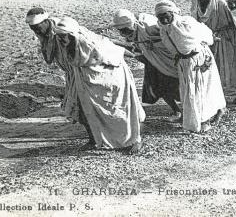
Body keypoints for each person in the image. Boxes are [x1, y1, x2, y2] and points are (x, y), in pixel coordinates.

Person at [54, 16, 146, 153]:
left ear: (72, 34)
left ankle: (133, 141)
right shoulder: (65, 43)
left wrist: (134, 53)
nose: (62, 40)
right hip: (87, 81)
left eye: (64, 36)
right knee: (89, 112)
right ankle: (95, 140)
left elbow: (114, 51)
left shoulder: (89, 43)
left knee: (118, 110)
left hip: (111, 78)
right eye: (60, 36)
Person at [155, 0, 227, 133]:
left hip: (199, 58)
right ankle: (195, 120)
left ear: (173, 13)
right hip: (184, 62)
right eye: (160, 17)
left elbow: (204, 35)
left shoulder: (186, 22)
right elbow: (173, 47)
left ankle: (206, 119)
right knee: (190, 92)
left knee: (203, 89)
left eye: (166, 15)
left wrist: (208, 45)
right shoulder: (164, 30)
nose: (164, 19)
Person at [25, 8, 91, 144]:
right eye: (33, 29)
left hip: (80, 70)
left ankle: (94, 137)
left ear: (46, 22)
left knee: (82, 104)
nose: (36, 31)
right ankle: (92, 136)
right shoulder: (44, 33)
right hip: (70, 73)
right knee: (76, 105)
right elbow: (48, 59)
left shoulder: (63, 28)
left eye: (37, 28)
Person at [110, 9, 182, 120]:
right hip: (153, 61)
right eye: (120, 30)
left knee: (179, 85)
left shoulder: (150, 26)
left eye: (124, 30)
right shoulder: (130, 32)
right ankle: (176, 110)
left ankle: (189, 110)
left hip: (169, 60)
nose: (122, 33)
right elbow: (136, 48)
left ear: (131, 24)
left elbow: (171, 38)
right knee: (158, 86)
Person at [190, 0, 236, 104]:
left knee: (233, 64)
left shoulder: (221, 2)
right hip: (208, 37)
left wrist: (224, 32)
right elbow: (195, 19)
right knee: (211, 65)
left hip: (227, 36)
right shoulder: (195, 1)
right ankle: (213, 95)